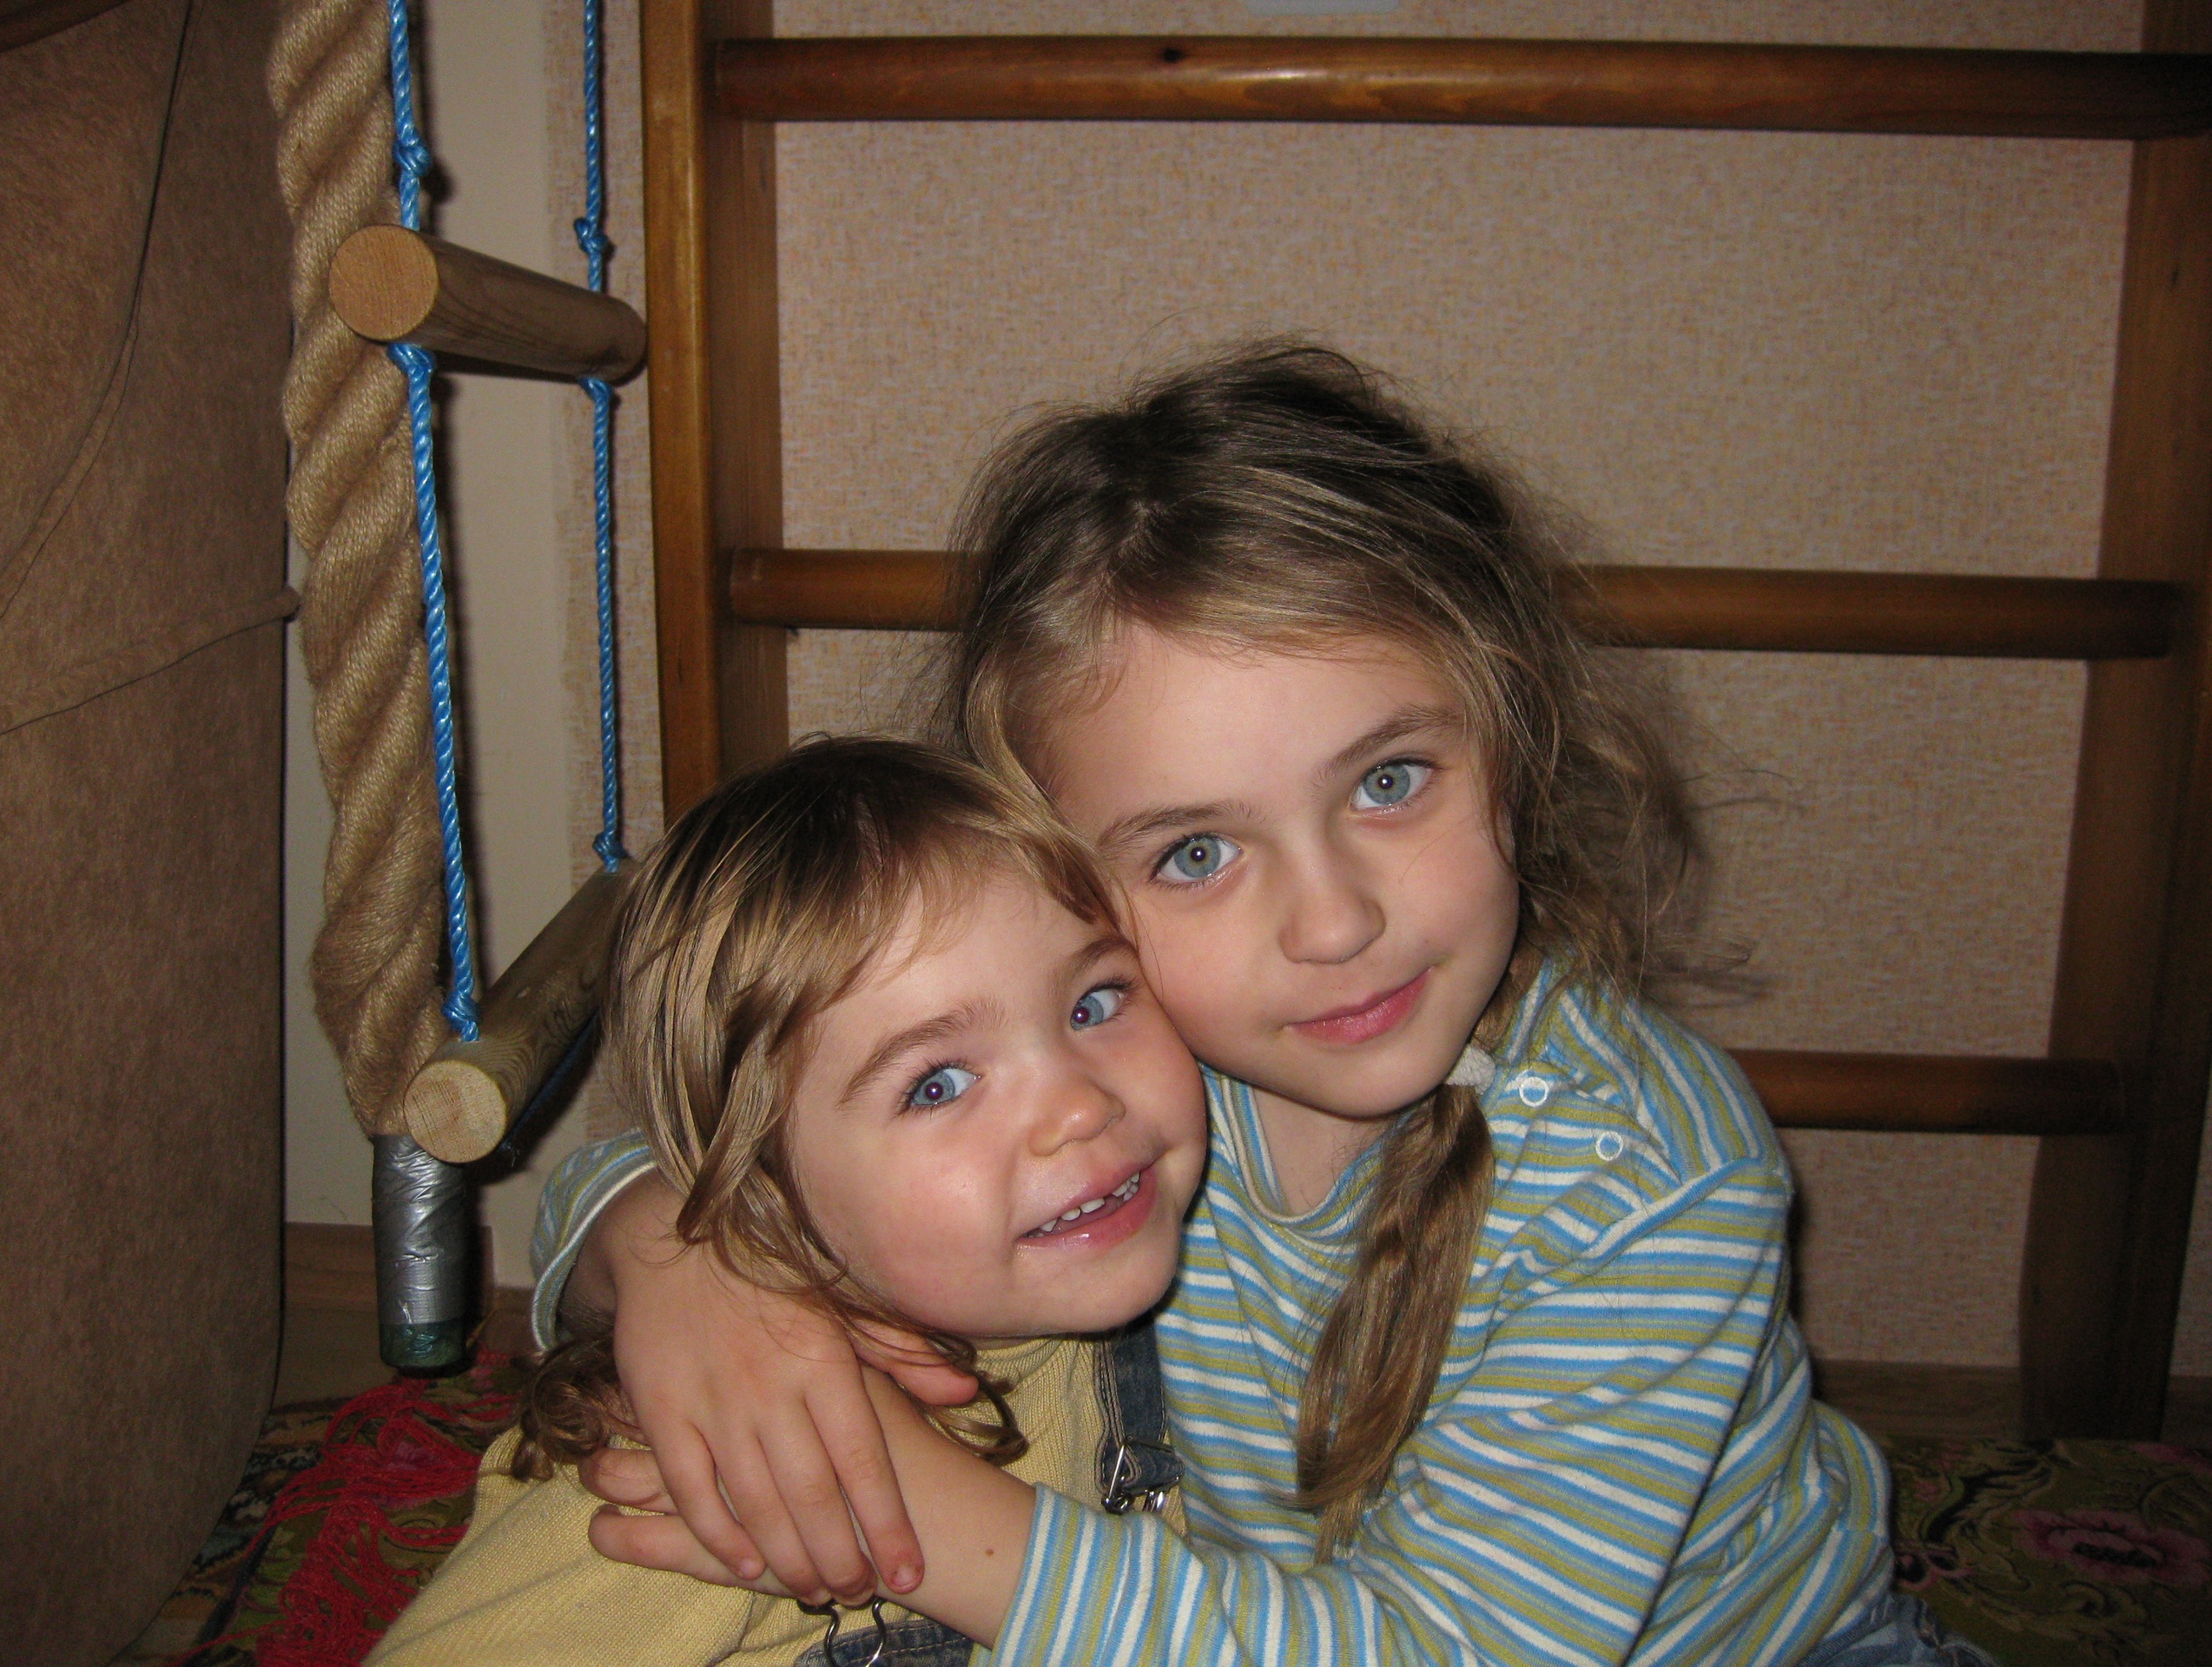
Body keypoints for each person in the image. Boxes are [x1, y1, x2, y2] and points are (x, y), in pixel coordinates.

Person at [535, 346, 2000, 1664]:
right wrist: (674, 1261)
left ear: (1516, 731)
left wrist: (923, 1515)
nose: (1335, 923)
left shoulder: (1647, 1173)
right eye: (1195, 854)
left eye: (1389, 781)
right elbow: (713, 1144)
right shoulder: (1104, 1065)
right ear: (1055, 880)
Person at [366, 736, 1208, 1666]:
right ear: (764, 1191)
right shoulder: (714, 1463)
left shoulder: (1199, 1248)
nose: (1082, 1106)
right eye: (937, 1085)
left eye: (1094, 1003)